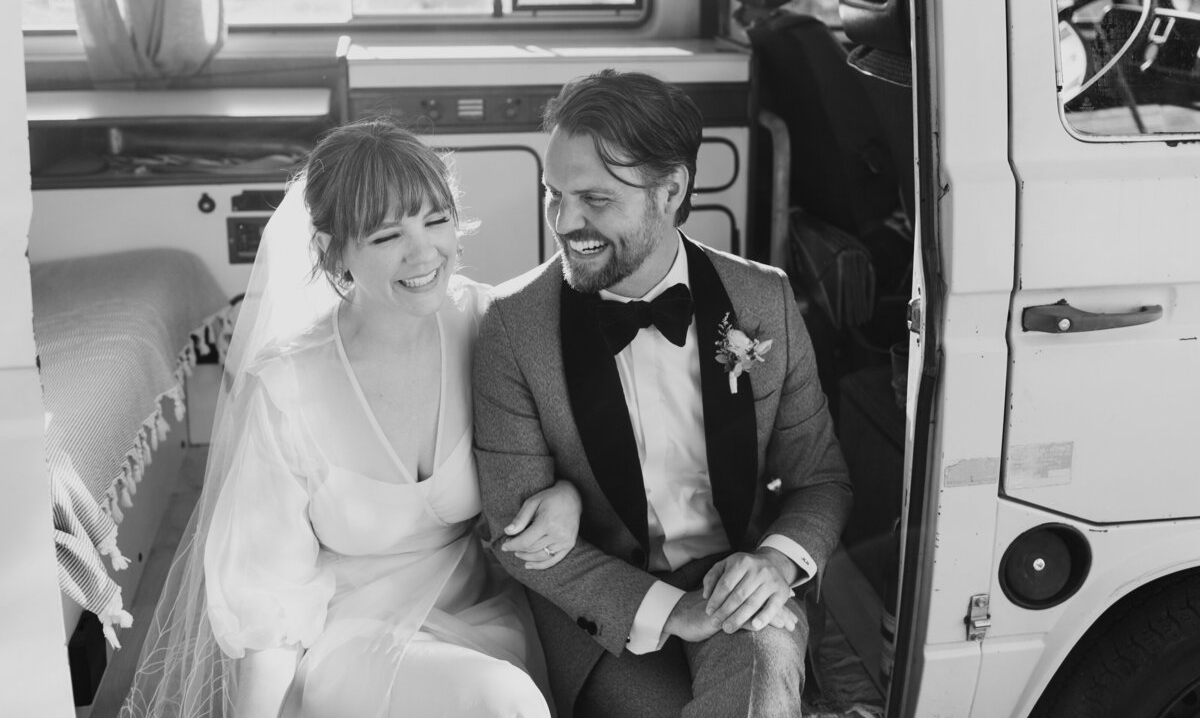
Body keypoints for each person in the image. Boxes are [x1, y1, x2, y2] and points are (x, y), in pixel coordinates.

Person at [121, 118, 582, 718]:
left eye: (437, 220)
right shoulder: (288, 386)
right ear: (334, 251)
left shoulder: (489, 323)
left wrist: (568, 493)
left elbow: (575, 451)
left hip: (489, 610)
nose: (424, 253)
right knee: (503, 699)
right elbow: (269, 598)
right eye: (388, 234)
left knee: (500, 689)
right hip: (352, 635)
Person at [472, 69, 853, 718]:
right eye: (553, 194)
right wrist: (673, 611)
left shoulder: (763, 300)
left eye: (595, 199)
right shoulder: (513, 327)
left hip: (736, 579)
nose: (565, 222)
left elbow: (820, 478)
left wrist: (775, 565)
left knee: (761, 683)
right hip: (604, 607)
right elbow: (515, 537)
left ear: (670, 191)